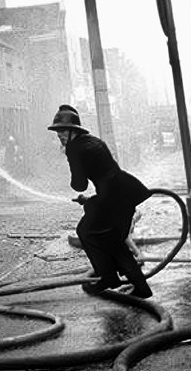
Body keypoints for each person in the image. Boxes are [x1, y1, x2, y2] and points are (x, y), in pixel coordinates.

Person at [47, 104, 152, 298]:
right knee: (114, 241)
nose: (59, 135)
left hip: (112, 198)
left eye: (62, 131)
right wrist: (91, 200)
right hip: (123, 192)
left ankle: (108, 277)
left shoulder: (74, 149)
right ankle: (140, 287)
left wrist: (70, 160)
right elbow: (105, 176)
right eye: (57, 132)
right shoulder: (93, 140)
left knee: (86, 231)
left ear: (72, 131)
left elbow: (79, 184)